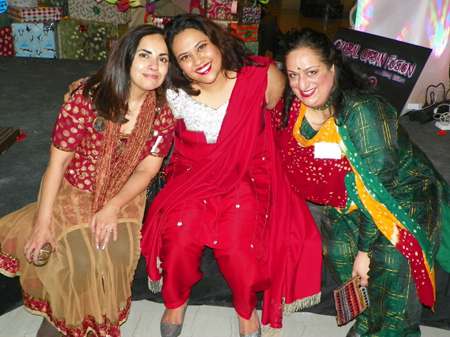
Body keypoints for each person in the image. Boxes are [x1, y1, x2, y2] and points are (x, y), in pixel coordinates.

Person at [140, 14, 322, 337]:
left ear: (216, 41)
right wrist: (84, 89)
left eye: (201, 47)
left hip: (246, 174)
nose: (198, 61)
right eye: (185, 57)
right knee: (180, 238)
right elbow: (127, 88)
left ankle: (245, 308)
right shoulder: (172, 91)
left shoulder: (259, 77)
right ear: (177, 66)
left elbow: (297, 111)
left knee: (237, 248)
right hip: (192, 174)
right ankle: (175, 300)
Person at [271, 27, 450, 337]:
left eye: (312, 72)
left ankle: (394, 330)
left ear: (333, 67)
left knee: (389, 261)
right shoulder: (295, 106)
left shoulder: (363, 110)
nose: (302, 84)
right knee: (339, 249)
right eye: (293, 75)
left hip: (402, 194)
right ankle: (367, 320)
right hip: (352, 196)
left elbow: (379, 188)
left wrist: (365, 253)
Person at [0, 24, 175, 337]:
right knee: (80, 259)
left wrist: (113, 206)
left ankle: (86, 325)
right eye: (145, 55)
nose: (155, 65)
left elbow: (147, 171)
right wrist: (42, 224)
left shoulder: (161, 113)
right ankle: (60, 325)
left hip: (124, 194)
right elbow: (57, 163)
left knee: (116, 253)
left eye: (163, 59)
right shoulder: (88, 99)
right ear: (125, 59)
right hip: (76, 189)